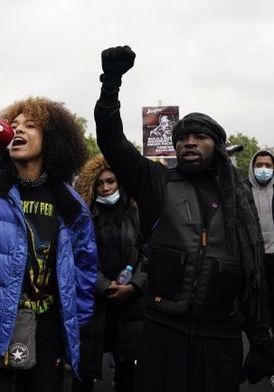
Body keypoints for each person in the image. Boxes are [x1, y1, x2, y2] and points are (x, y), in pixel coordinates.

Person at [94, 45, 274, 392]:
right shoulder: (155, 181)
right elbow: (111, 140)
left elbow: (253, 272)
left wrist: (260, 336)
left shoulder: (240, 197)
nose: (189, 142)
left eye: (200, 137)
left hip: (220, 333)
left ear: (218, 146)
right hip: (164, 329)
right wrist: (110, 84)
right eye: (182, 138)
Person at [0, 96, 98, 392]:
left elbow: (85, 268)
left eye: (31, 125)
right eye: (13, 125)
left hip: (48, 331)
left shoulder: (71, 205)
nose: (18, 130)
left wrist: (77, 324)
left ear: (52, 139)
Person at [72, 154, 146, 392]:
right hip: (93, 303)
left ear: (120, 182)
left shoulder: (137, 212)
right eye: (99, 183)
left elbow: (150, 253)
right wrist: (104, 286)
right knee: (83, 370)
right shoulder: (83, 216)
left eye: (110, 181)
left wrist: (134, 285)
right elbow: (77, 257)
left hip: (130, 304)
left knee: (128, 372)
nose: (105, 188)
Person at [245, 150, 274, 330]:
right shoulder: (242, 191)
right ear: (252, 167)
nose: (263, 169)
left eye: (268, 166)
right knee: (257, 303)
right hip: (253, 258)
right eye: (259, 165)